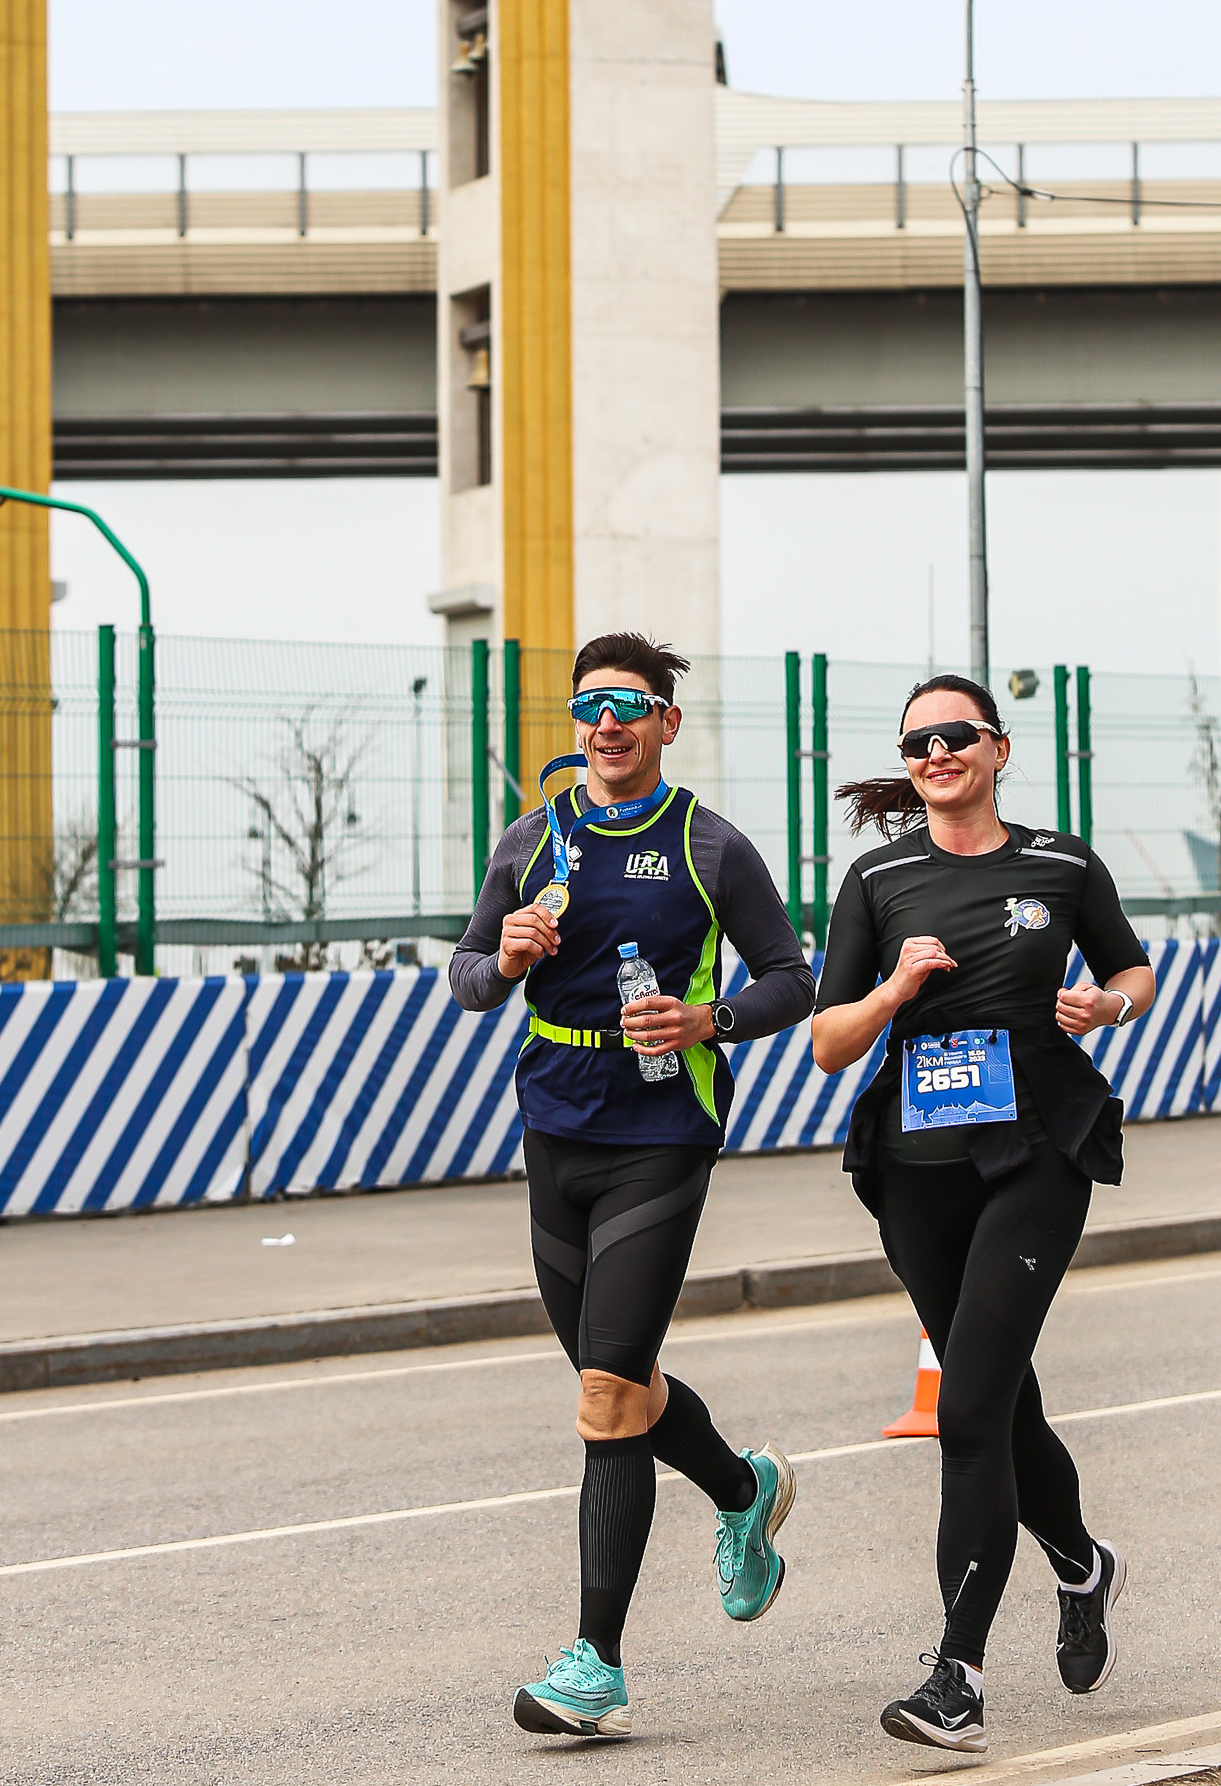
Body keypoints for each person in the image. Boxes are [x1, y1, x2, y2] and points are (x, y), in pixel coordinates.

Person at [450, 630, 816, 1740]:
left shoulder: (709, 844)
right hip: (552, 1129)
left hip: (662, 1129)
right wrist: (505, 957)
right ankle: (744, 1492)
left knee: (605, 1398)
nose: (604, 724)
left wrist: (709, 1019)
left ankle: (593, 1665)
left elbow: (792, 977)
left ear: (663, 721)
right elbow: (465, 978)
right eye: (586, 707)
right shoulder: (528, 842)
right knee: (621, 1381)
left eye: (627, 704)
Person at [810, 671, 1155, 1760]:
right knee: (1000, 1408)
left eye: (955, 736)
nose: (935, 755)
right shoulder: (876, 878)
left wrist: (1105, 1005)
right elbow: (826, 1042)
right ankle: (1081, 1564)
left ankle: (952, 1677)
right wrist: (892, 992)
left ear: (997, 750)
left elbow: (1132, 970)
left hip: (1035, 1148)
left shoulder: (1058, 863)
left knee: (967, 1409)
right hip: (916, 1161)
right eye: (916, 744)